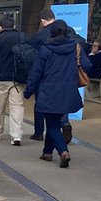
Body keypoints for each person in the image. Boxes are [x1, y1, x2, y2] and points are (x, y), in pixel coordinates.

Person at [25, 22, 93, 168]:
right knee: (54, 121)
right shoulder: (75, 47)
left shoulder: (45, 49)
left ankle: (63, 151)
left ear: (52, 32)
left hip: (49, 90)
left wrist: (29, 90)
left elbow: (36, 72)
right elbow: (87, 66)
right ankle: (47, 152)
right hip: (68, 91)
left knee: (52, 125)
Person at [28, 8, 73, 142]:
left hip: (46, 77)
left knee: (41, 104)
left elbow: (35, 60)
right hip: (66, 75)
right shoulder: (69, 30)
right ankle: (65, 123)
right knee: (62, 101)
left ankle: (39, 132)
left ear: (42, 21)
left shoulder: (40, 36)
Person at [0, 15, 26, 145]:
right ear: (14, 26)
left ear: (0, 27)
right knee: (17, 107)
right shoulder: (22, 38)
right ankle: (16, 136)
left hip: (1, 78)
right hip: (18, 79)